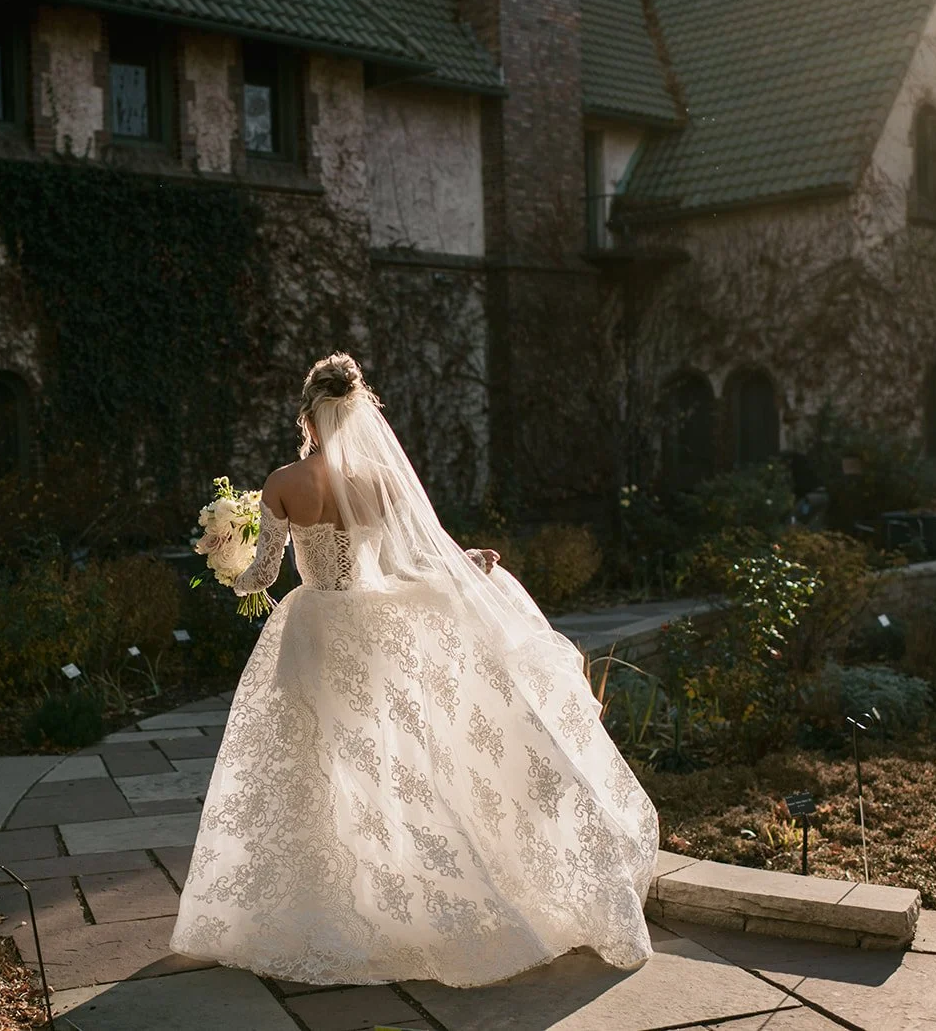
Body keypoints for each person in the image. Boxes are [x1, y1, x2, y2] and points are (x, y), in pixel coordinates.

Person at [170, 353, 658, 988]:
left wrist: (232, 566)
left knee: (316, 762)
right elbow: (414, 553)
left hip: (314, 629)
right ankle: (398, 892)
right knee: (388, 759)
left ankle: (331, 900)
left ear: (307, 414)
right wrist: (466, 561)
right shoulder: (381, 479)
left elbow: (264, 577)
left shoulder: (285, 481)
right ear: (359, 409)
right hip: (377, 629)